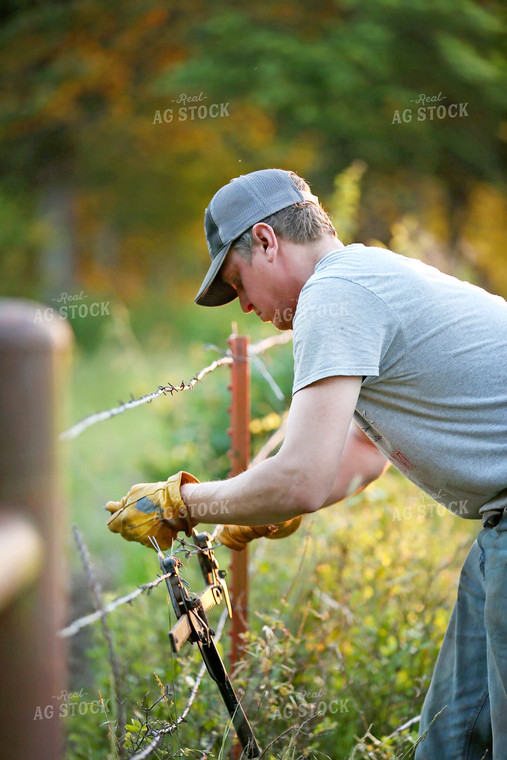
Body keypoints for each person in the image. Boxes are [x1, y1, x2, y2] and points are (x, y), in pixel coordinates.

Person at [105, 168, 507, 759]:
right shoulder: (365, 276)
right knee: (451, 739)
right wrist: (257, 507)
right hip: (500, 530)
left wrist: (179, 501)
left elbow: (302, 477)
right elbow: (364, 453)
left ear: (266, 241)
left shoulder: (334, 293)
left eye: (238, 283)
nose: (243, 306)